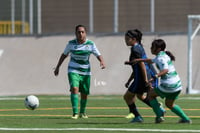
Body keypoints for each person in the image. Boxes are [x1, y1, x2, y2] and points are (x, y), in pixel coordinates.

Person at [132, 39, 191, 123]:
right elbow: (151, 61)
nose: (151, 48)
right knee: (169, 104)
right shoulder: (162, 54)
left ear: (159, 48)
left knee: (150, 95)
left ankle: (159, 115)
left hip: (169, 85)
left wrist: (155, 77)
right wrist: (139, 60)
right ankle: (186, 119)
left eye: (153, 47)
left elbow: (165, 70)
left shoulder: (161, 58)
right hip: (177, 85)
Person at [54, 24, 106, 119]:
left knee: (84, 93)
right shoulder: (71, 44)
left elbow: (98, 54)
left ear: (85, 33)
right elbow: (64, 55)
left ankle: (82, 112)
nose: (81, 34)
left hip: (86, 72)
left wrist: (102, 61)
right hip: (73, 70)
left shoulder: (90, 44)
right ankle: (75, 113)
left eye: (82, 32)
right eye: (79, 32)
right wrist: (58, 67)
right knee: (74, 88)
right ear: (75, 33)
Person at [124, 29, 165, 123]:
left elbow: (142, 64)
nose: (125, 40)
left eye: (127, 38)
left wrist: (146, 79)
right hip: (145, 75)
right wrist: (129, 80)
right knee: (140, 95)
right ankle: (159, 109)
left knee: (127, 97)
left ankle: (138, 117)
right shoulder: (138, 47)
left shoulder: (135, 48)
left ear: (134, 39)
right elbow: (137, 66)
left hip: (143, 77)